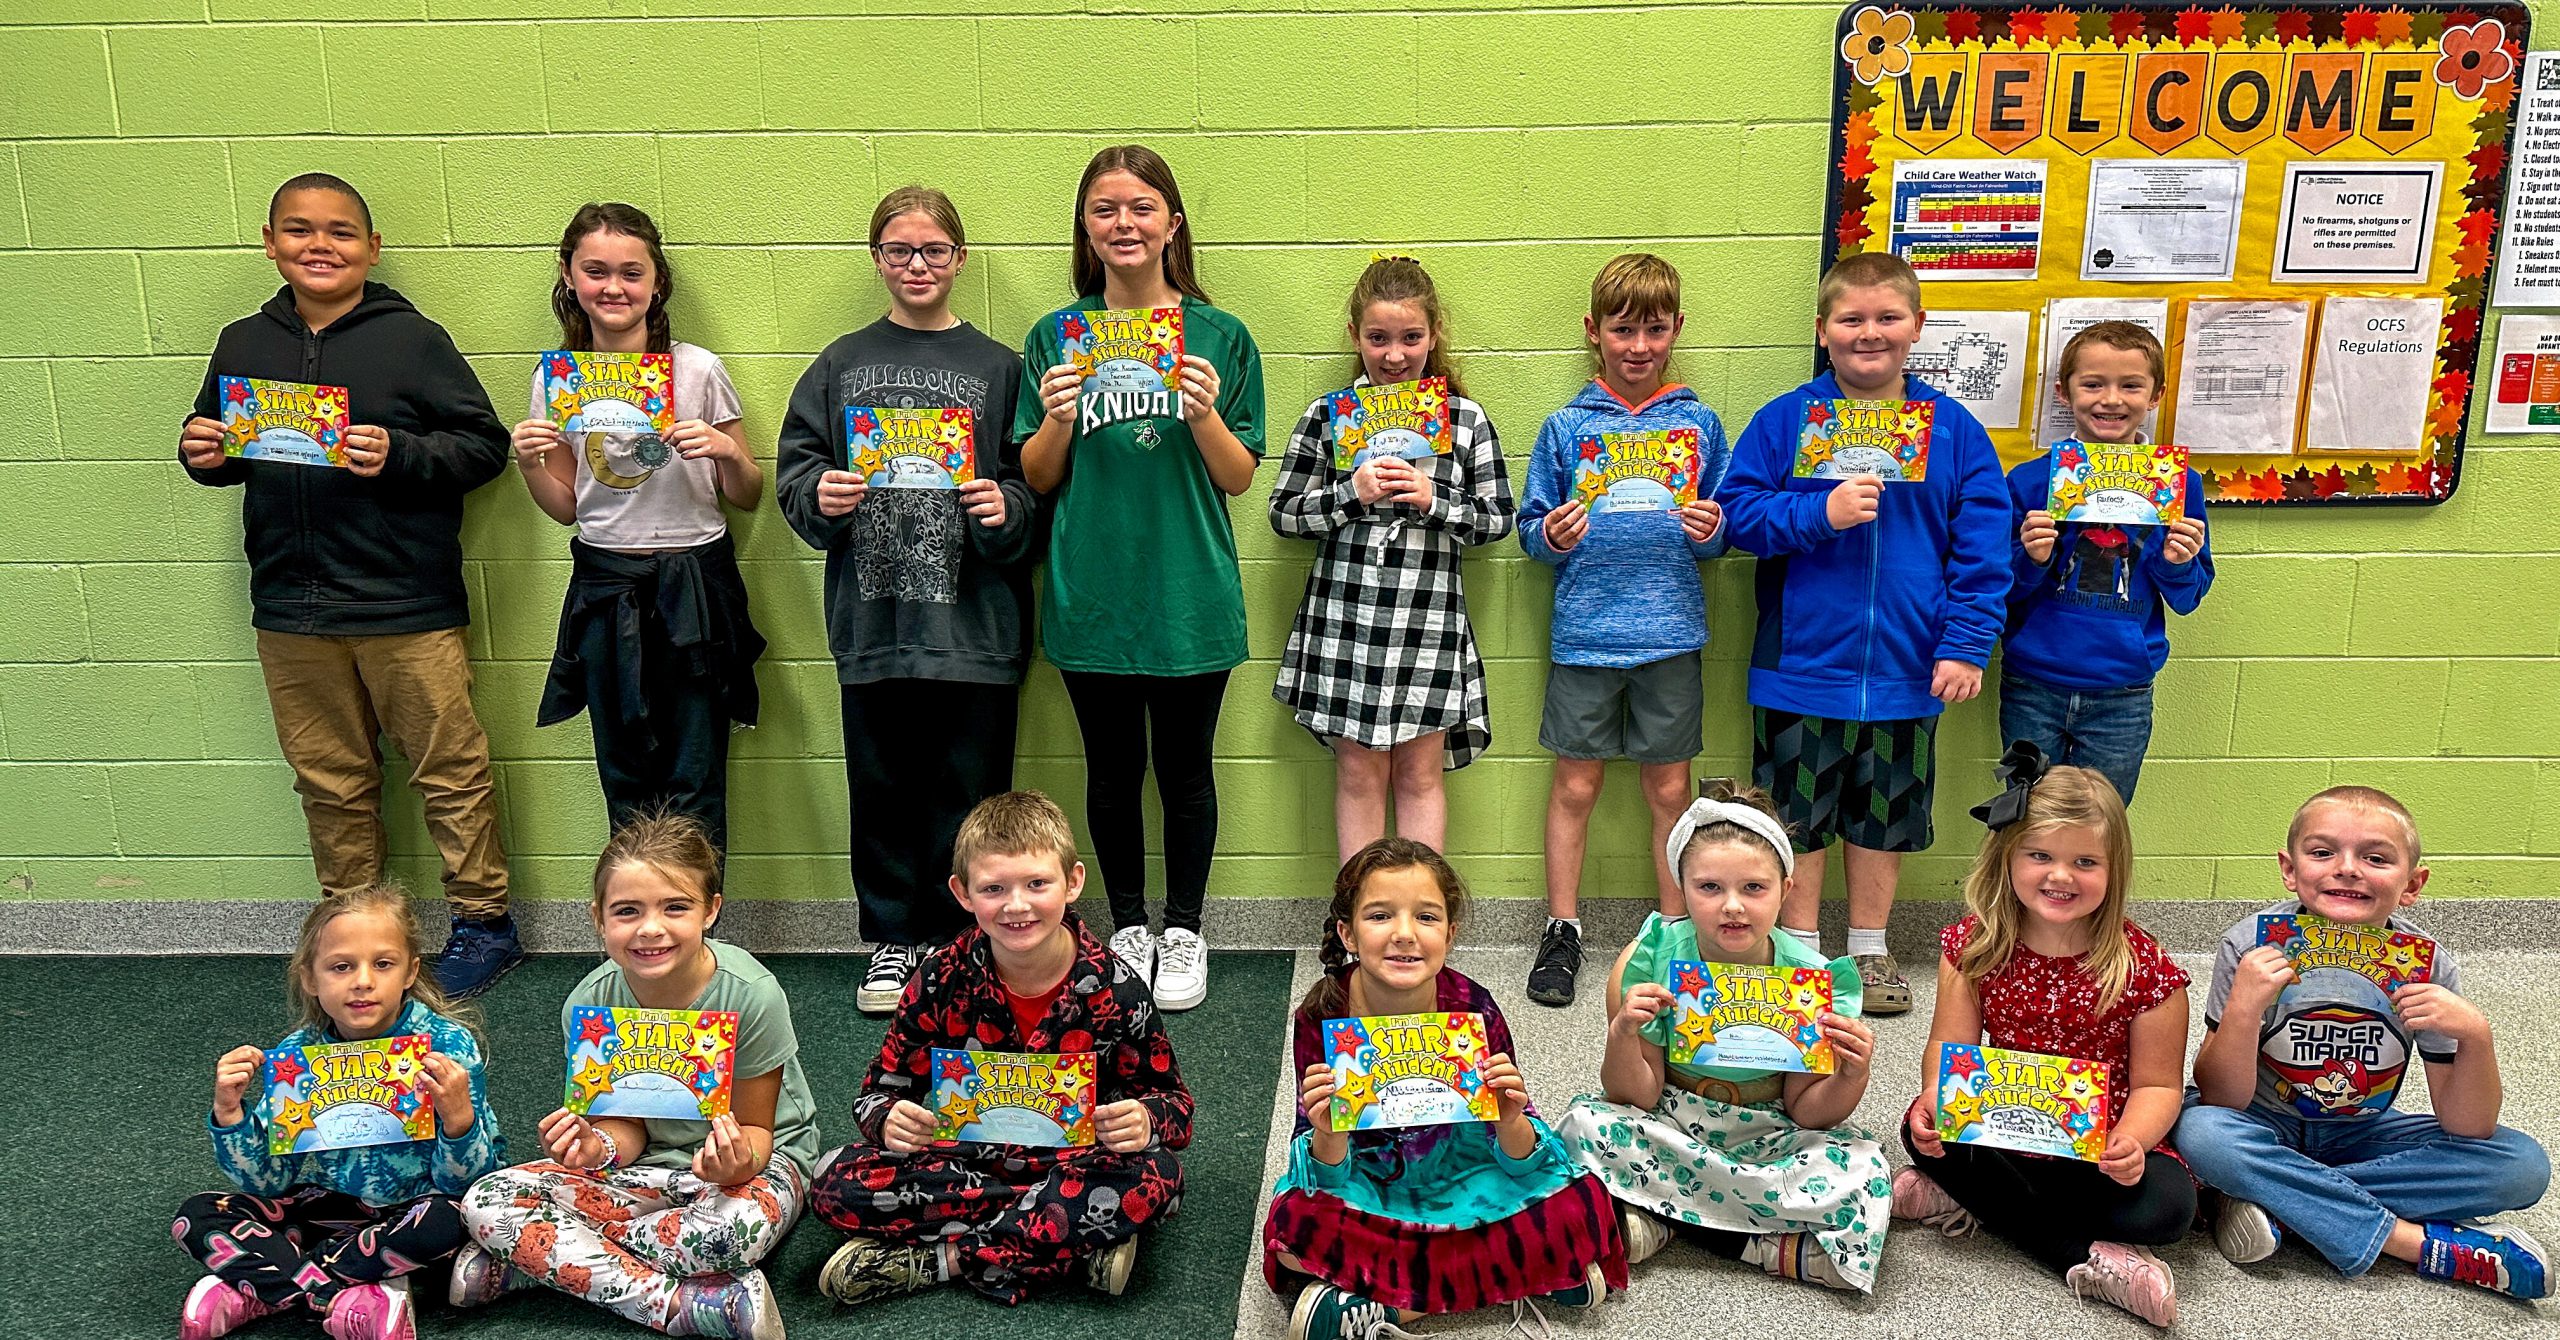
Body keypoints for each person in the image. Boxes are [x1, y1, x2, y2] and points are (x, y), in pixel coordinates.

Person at [176, 172, 519, 998]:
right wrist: (201, 457)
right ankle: (355, 926)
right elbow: (217, 449)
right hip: (292, 607)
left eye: (338, 232)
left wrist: (399, 453)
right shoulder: (240, 344)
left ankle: (483, 920)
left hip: (407, 605)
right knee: (329, 777)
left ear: (371, 248)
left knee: (449, 767)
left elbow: (483, 446)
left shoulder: (414, 341)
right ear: (269, 243)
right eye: (298, 230)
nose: (318, 245)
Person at [1713, 250, 2008, 1015]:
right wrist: (1820, 513)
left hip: (1911, 670)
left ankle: (1870, 949)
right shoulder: (1787, 421)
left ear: (1917, 326)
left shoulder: (1956, 431)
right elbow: (1737, 516)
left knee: (1883, 817)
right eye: (1851, 319)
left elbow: (1983, 548)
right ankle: (1803, 954)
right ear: (1823, 330)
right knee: (1797, 817)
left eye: (1887, 318)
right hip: (1801, 668)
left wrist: (1965, 642)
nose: (1869, 333)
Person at [1014, 145, 1266, 1011]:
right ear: (1085, 227)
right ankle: (1126, 926)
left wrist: (1200, 413)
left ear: (1173, 222)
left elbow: (1237, 477)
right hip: (1094, 588)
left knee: (1188, 770)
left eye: (1141, 207)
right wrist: (1053, 415)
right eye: (1105, 209)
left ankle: (1185, 928)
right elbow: (1041, 475)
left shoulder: (1223, 336)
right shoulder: (1056, 335)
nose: (1124, 223)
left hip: (1190, 586)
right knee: (1113, 770)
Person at [776, 186, 1035, 1015]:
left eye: (933, 251)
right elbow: (795, 472)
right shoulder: (841, 363)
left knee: (974, 795)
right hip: (875, 621)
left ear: (960, 260)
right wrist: (823, 494)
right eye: (899, 251)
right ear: (877, 260)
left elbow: (1038, 484)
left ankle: (971, 941)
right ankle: (894, 939)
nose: (916, 265)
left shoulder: (999, 366)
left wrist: (1008, 508)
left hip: (975, 624)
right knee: (883, 788)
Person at [808, 790, 1189, 1306]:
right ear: (962, 893)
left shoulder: (1116, 987)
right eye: (993, 888)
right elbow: (878, 1090)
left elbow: (1174, 1107)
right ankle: (1072, 1250)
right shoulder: (939, 977)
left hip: (1076, 1166)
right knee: (833, 1181)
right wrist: (888, 1118)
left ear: (1072, 882)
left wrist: (1146, 1119)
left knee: (1157, 1176)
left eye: (1037, 883)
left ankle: (943, 1260)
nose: (1016, 905)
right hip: (966, 1165)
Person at [2174, 786, 2549, 1299]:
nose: (2347, 868)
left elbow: (2469, 1125)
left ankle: (2278, 1198)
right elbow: (2222, 1098)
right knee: (2202, 1131)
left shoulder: (2430, 965)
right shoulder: (2250, 943)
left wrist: (2477, 1037)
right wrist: (2242, 1010)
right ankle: (2418, 1245)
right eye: (2323, 852)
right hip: (2259, 1120)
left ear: (2412, 884)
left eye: (2375, 858)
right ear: (2289, 868)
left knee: (2521, 1166)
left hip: (2360, 1133)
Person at [455, 815, 817, 1336]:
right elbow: (628, 1128)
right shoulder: (590, 1002)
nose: (651, 929)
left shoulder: (751, 994)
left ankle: (543, 1261)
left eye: (676, 907)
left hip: (757, 1168)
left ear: (711, 910)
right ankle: (678, 1305)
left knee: (731, 1234)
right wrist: (594, 1146)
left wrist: (735, 1164)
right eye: (627, 911)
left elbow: (760, 1133)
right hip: (644, 1169)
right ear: (598, 919)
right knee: (486, 1201)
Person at [1267, 839, 1626, 1340]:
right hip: (1367, 1183)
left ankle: (1390, 1305)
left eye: (1427, 918)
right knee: (1294, 1228)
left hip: (1464, 1177)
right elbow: (1321, 1173)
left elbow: (1521, 1157)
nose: (1405, 935)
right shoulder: (1320, 1017)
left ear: (1451, 934)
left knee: (1584, 1202)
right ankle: (1527, 1273)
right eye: (1379, 916)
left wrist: (1509, 1118)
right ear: (1347, 933)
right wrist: (1328, 1133)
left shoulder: (1473, 1007)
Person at [1896, 747, 2194, 1326]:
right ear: (2009, 857)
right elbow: (1946, 1049)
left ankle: (1972, 1200)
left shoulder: (2148, 969)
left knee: (2168, 1211)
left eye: (2086, 861)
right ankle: (2083, 1259)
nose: (2060, 876)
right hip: (2000, 1129)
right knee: (1919, 1129)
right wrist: (1936, 1095)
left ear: (2115, 870)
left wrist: (2130, 1144)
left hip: (2095, 1149)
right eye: (2040, 855)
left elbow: (2160, 1086)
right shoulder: (1974, 949)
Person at [1554, 784, 1888, 1294]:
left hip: (1767, 1134)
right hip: (1670, 1120)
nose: (1733, 907)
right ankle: (1764, 1247)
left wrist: (1853, 1073)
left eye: (1754, 888)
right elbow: (1634, 1096)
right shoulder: (1649, 961)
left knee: (1864, 1167)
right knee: (1581, 1126)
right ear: (1680, 886)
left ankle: (1666, 1220)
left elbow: (1807, 1112)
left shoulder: (1813, 979)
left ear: (1786, 890)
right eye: (1709, 887)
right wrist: (1622, 1032)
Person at [511, 202, 765, 857]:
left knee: (695, 774)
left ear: (656, 283)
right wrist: (530, 461)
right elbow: (566, 507)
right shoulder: (556, 378)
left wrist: (728, 452)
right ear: (569, 277)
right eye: (596, 271)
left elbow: (747, 494)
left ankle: (698, 931)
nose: (613, 287)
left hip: (694, 580)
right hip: (605, 582)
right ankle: (637, 931)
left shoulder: (698, 370)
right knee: (624, 774)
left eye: (631, 272)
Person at [1515, 252, 1731, 1007]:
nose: (1638, 345)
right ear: (1593, 332)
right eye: (1622, 329)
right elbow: (1529, 531)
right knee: (1575, 783)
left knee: (1670, 787)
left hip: (1670, 634)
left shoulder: (1698, 423)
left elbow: (1720, 535)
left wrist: (1711, 528)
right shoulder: (1568, 427)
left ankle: (1676, 931)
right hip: (1584, 635)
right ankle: (1564, 928)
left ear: (1677, 330)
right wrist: (1553, 534)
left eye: (1654, 329)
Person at [1269, 254, 1514, 865]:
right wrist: (1351, 495)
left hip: (1428, 620)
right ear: (1356, 337)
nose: (1395, 355)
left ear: (1434, 336)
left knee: (1421, 774)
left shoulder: (1465, 420)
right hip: (1344, 620)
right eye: (1378, 338)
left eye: (1411, 338)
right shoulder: (1327, 416)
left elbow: (1498, 520)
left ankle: (1421, 909)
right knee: (1357, 774)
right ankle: (1360, 911)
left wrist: (1435, 500)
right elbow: (1283, 513)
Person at [176, 884, 503, 1340]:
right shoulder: (299, 1054)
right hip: (337, 1210)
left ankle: (265, 1288)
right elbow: (271, 1183)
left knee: (453, 1219)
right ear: (311, 978)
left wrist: (458, 1119)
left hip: (421, 1208)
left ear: (410, 972)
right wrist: (231, 1114)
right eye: (341, 966)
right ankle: (346, 1293)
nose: (363, 980)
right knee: (197, 1215)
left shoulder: (447, 1047)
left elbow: (470, 1181)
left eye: (383, 964)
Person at [2000, 321, 2211, 804]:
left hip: (2123, 692)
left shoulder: (2180, 486)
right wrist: (2032, 558)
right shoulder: (2032, 481)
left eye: (2130, 385)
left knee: (2102, 823)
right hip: (2034, 684)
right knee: (2023, 814)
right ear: (2064, 391)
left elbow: (2189, 597)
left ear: (2155, 395)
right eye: (2093, 384)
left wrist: (2177, 561)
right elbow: (2002, 588)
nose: (2111, 399)